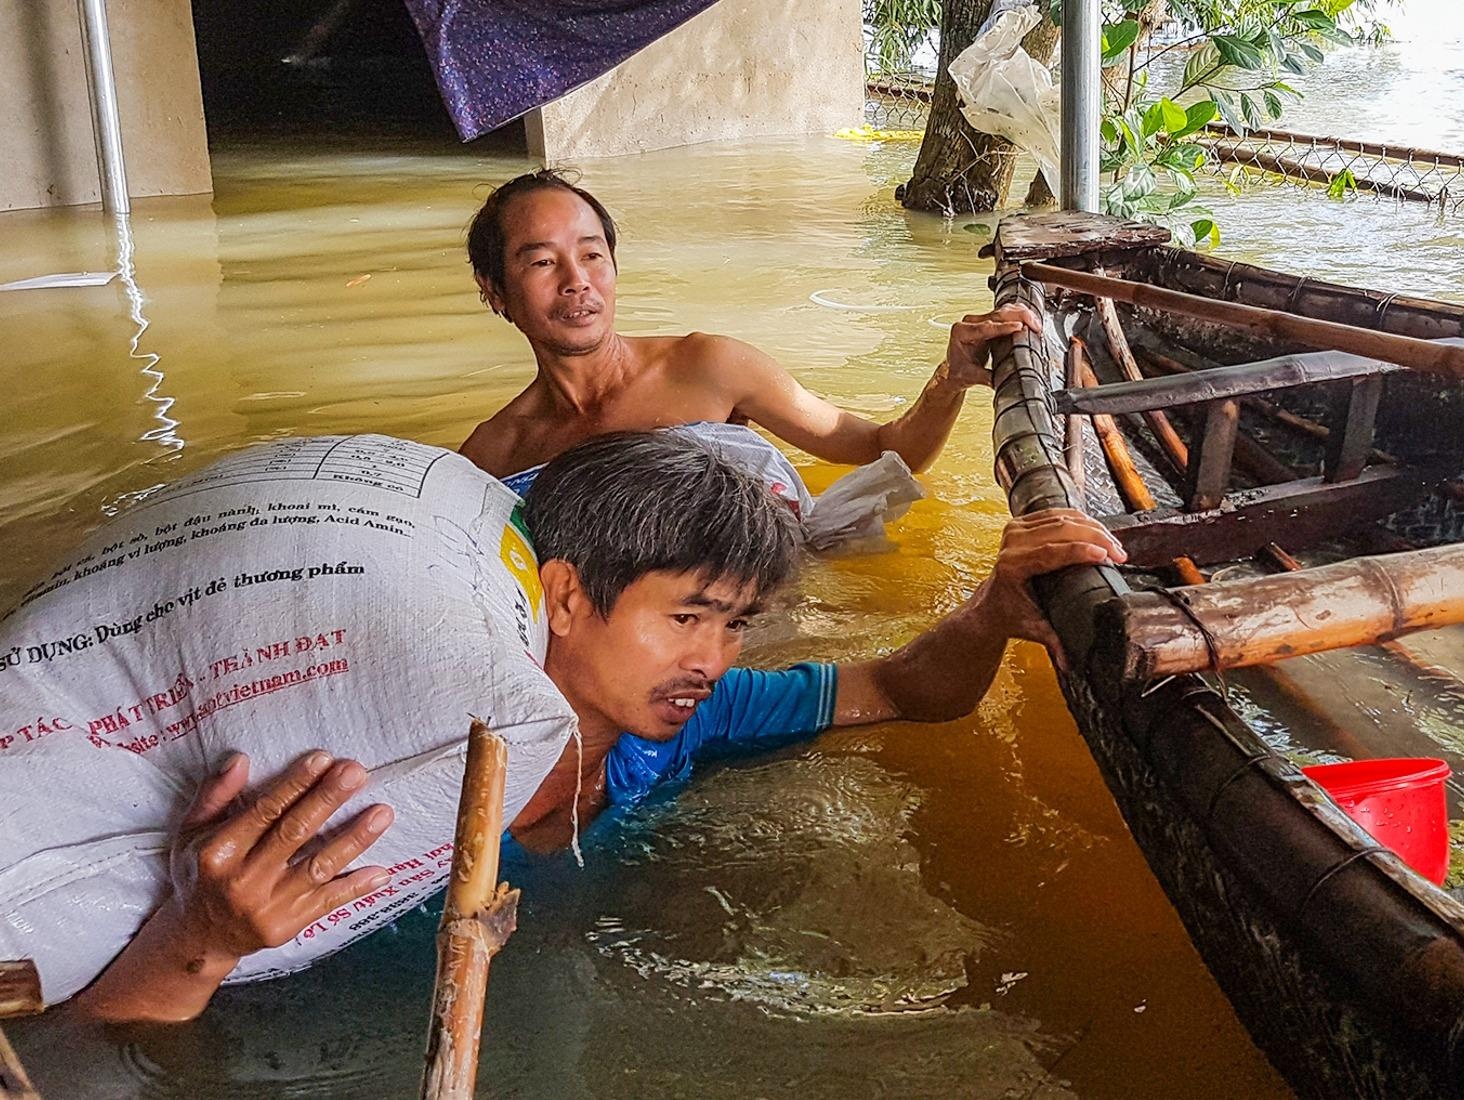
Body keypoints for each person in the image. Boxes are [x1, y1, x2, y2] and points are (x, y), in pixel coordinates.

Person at [74, 432, 1125, 1023]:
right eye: (684, 616)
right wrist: (198, 941)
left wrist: (993, 611)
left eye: (732, 623)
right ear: (565, 594)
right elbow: (93, 1035)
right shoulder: (389, 769)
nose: (713, 659)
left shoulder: (677, 724)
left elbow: (900, 692)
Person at [456, 170, 1040, 490]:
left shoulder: (708, 367)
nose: (576, 281)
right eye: (541, 262)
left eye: (591, 255)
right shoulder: (492, 458)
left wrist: (949, 383)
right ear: (494, 291)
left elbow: (884, 452)